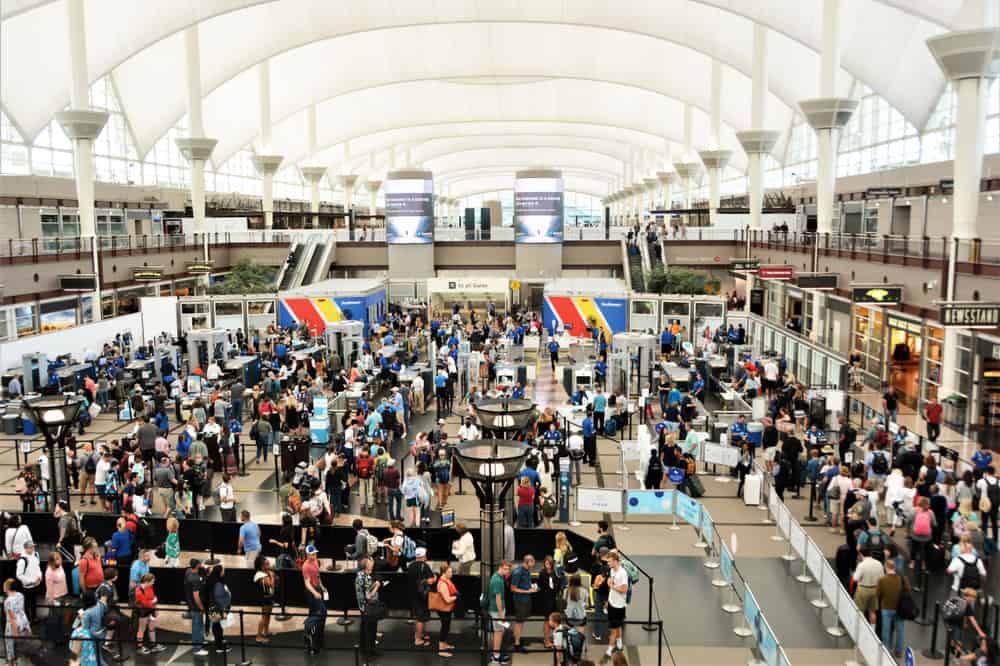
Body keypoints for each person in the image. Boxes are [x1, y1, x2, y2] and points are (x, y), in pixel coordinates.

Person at [876, 558, 909, 658]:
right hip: (899, 608)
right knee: (900, 630)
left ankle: (887, 650)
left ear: (886, 567)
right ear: (894, 568)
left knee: (886, 629)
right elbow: (908, 589)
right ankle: (899, 651)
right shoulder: (901, 579)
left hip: (886, 608)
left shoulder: (882, 580)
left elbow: (878, 594)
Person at [603, 551, 630, 663]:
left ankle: (609, 650)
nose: (608, 564)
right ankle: (619, 641)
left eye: (609, 562)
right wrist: (608, 601)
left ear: (615, 561)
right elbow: (611, 583)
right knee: (617, 625)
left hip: (619, 606)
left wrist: (612, 586)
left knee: (613, 630)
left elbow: (624, 589)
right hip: (612, 603)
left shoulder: (622, 573)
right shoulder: (612, 570)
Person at [408, 547, 436, 647]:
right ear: (423, 555)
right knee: (421, 618)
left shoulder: (410, 565)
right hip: (422, 595)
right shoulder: (425, 566)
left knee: (418, 616)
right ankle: (418, 639)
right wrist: (435, 578)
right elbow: (431, 580)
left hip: (413, 594)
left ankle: (419, 634)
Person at [355, 556, 382, 658]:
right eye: (371, 563)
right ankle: (368, 651)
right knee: (369, 629)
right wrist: (376, 586)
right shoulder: (363, 577)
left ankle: (369, 648)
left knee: (369, 629)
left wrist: (374, 584)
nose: (373, 564)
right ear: (366, 565)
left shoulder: (366, 575)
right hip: (367, 607)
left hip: (368, 607)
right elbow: (368, 596)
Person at [302, 544, 328, 654]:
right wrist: (315, 592)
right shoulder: (305, 566)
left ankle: (317, 639)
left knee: (317, 613)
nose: (314, 555)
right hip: (311, 591)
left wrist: (321, 587)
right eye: (312, 554)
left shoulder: (316, 562)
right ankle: (307, 627)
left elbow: (317, 576)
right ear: (307, 554)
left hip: (317, 588)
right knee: (322, 612)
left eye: (315, 553)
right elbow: (307, 583)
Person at [510, 554, 537, 652]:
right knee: (519, 622)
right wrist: (527, 591)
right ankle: (516, 643)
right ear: (528, 562)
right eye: (532, 561)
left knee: (521, 622)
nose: (534, 564)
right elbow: (513, 588)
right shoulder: (518, 572)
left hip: (526, 600)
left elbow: (526, 583)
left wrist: (532, 587)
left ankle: (518, 639)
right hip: (520, 601)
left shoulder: (527, 571)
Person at [851, 545, 884, 625]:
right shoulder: (879, 563)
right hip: (874, 589)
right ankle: (873, 630)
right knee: (872, 612)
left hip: (862, 589)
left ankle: (860, 629)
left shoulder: (862, 565)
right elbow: (882, 578)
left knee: (859, 611)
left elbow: (855, 579)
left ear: (861, 554)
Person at [488, 561, 512, 664]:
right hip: (497, 611)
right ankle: (496, 656)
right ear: (500, 567)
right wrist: (501, 613)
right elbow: (498, 598)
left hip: (498, 609)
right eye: (506, 569)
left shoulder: (497, 577)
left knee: (500, 632)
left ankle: (498, 653)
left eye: (508, 569)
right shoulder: (497, 580)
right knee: (498, 633)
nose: (507, 571)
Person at [133, 572, 165, 654]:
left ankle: (154, 645)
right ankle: (139, 647)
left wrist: (155, 607)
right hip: (143, 612)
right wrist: (153, 601)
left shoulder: (149, 587)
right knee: (141, 629)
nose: (153, 583)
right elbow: (144, 602)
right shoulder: (138, 590)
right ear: (147, 581)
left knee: (152, 627)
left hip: (151, 610)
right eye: (152, 581)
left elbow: (153, 597)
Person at [184, 559, 209, 657]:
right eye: (200, 564)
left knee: (199, 625)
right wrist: (201, 607)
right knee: (196, 627)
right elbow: (196, 596)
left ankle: (201, 641)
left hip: (191, 604)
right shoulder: (195, 579)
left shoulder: (188, 571)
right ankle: (197, 648)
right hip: (196, 607)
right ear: (198, 565)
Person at [206, 564, 231, 654]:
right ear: (219, 572)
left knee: (217, 626)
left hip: (213, 608)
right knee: (217, 626)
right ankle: (219, 646)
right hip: (217, 609)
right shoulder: (217, 583)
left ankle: (219, 642)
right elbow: (218, 598)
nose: (224, 571)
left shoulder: (213, 581)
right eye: (223, 570)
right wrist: (223, 611)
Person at [434, 564, 458, 658]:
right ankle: (441, 650)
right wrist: (457, 597)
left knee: (447, 626)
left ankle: (444, 644)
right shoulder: (443, 583)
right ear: (444, 573)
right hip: (443, 609)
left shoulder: (447, 580)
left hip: (447, 608)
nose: (452, 573)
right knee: (444, 627)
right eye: (450, 572)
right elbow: (447, 599)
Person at [253, 555, 275, 644]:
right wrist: (271, 575)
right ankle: (258, 636)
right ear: (262, 566)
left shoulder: (265, 572)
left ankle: (266, 631)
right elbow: (271, 584)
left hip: (269, 597)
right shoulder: (261, 575)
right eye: (267, 563)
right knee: (264, 617)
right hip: (265, 598)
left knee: (268, 615)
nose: (269, 564)